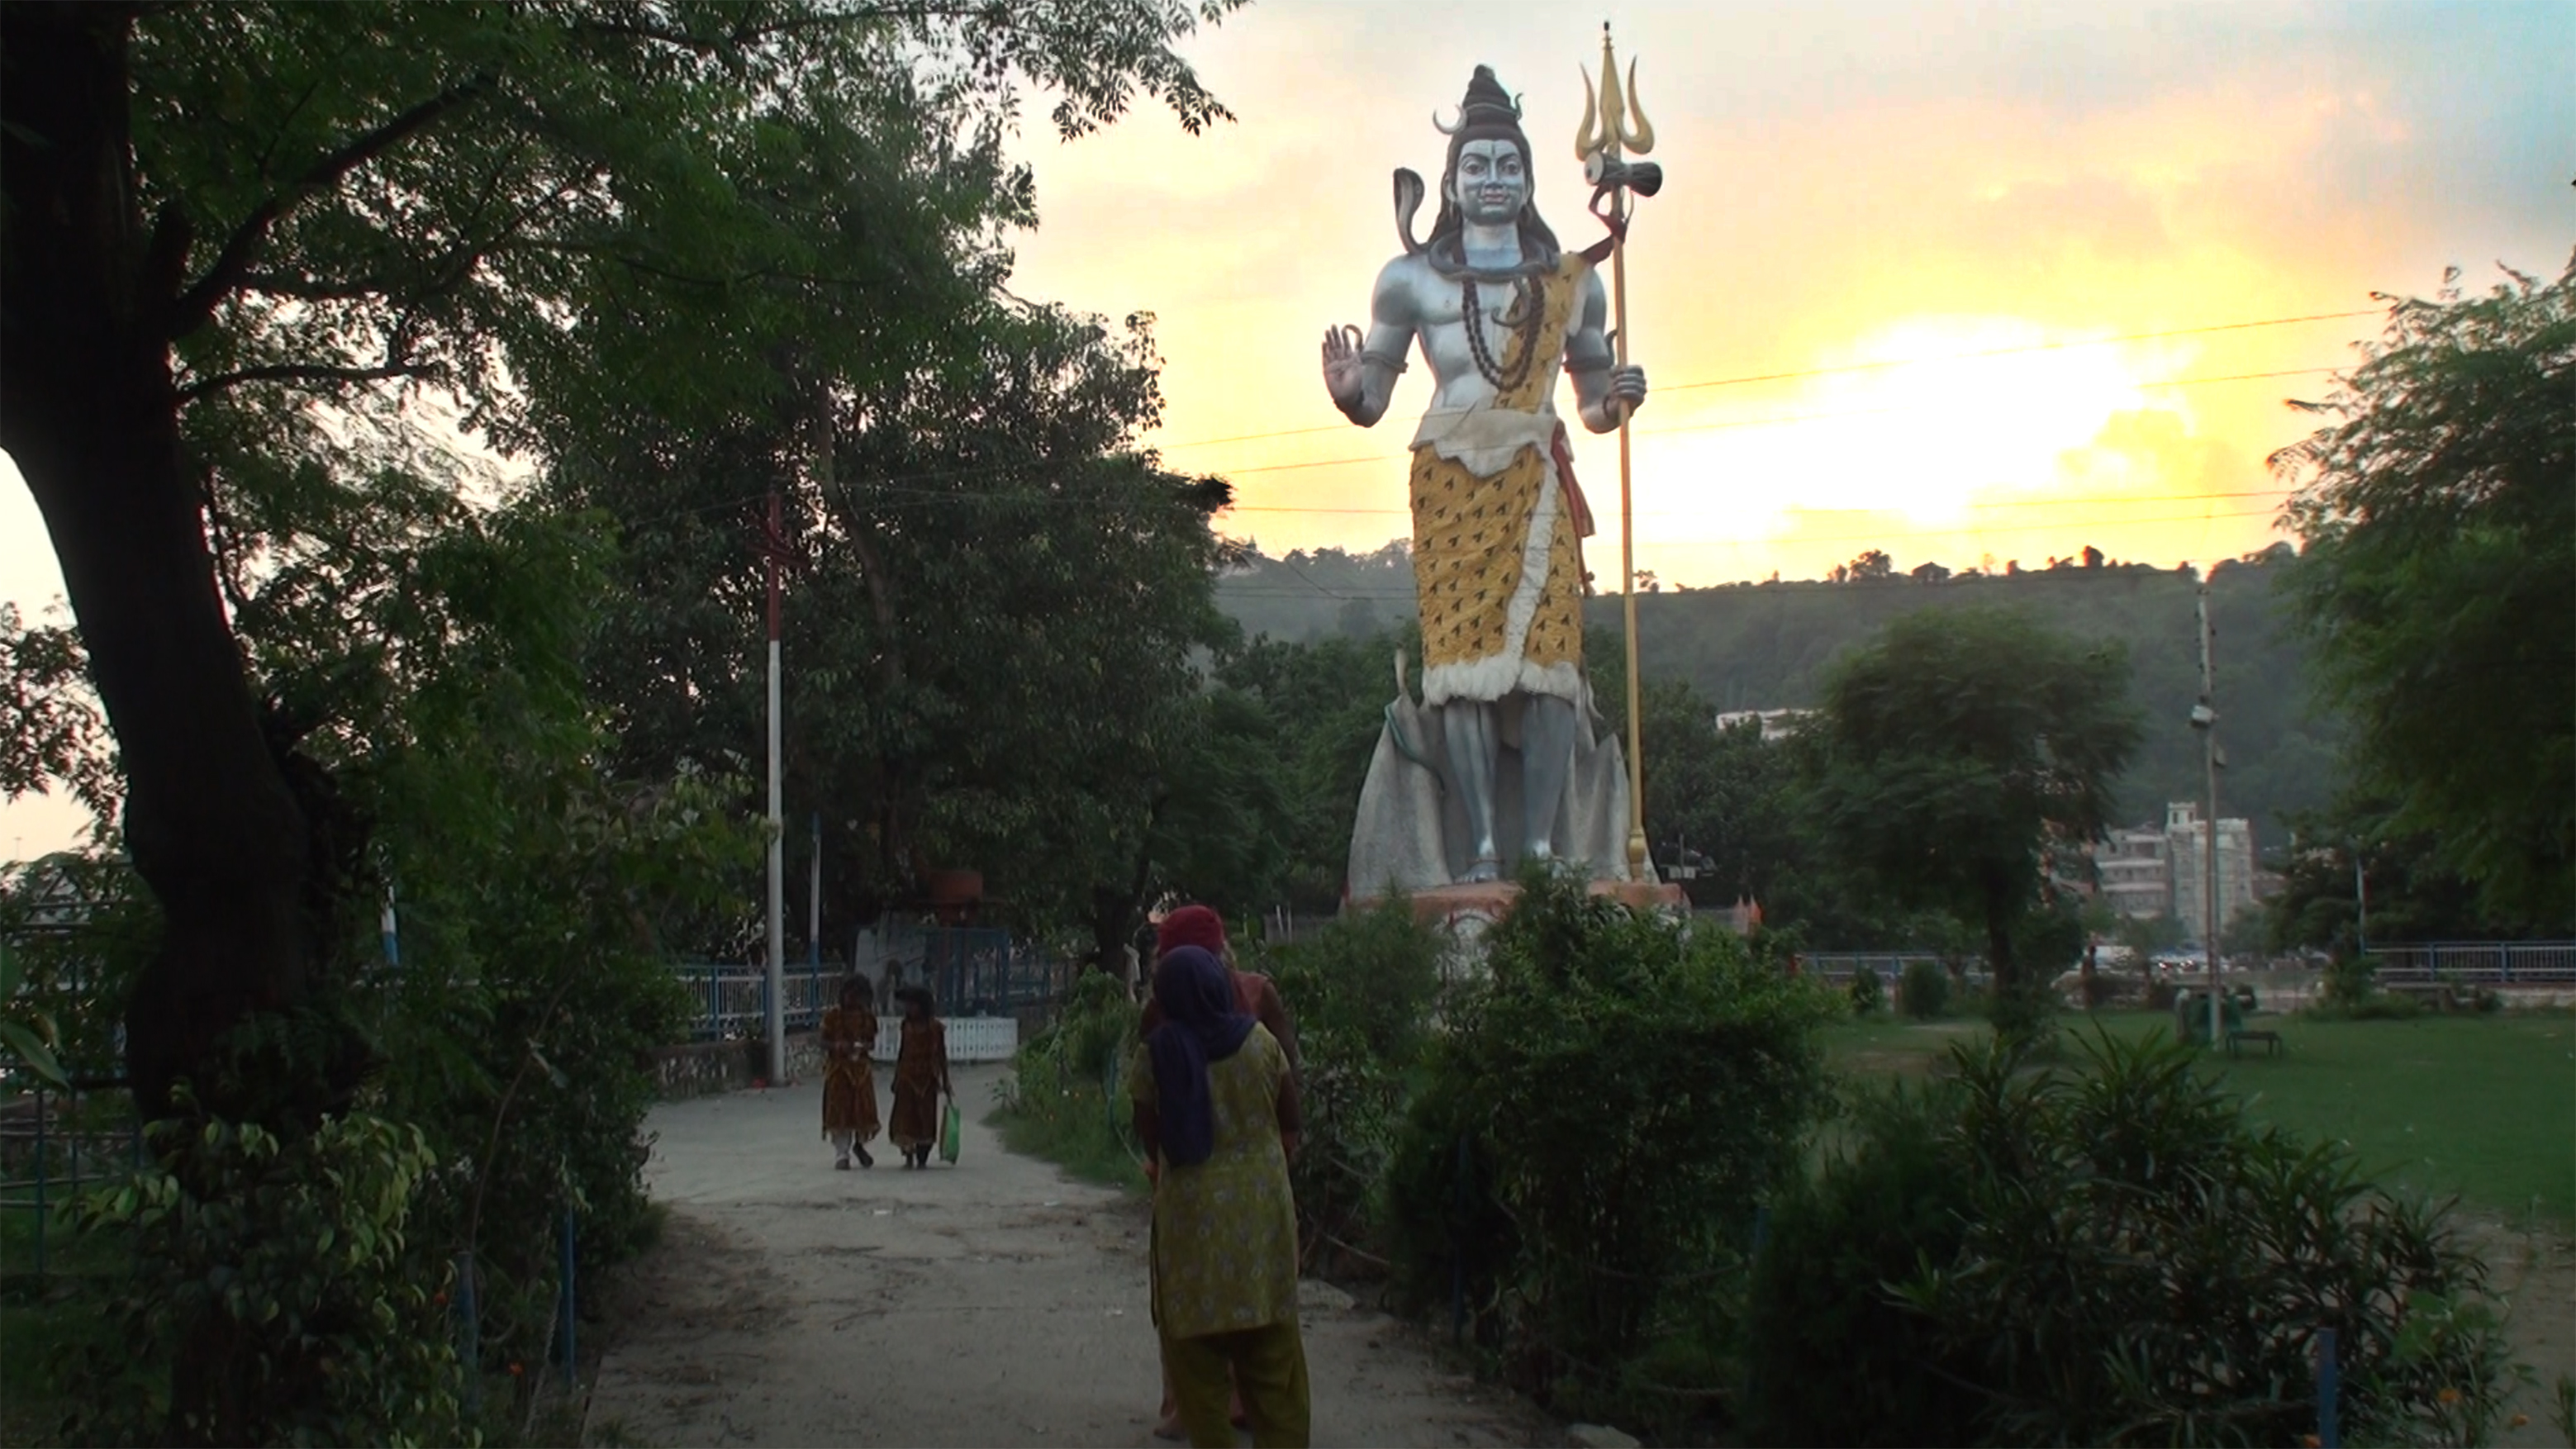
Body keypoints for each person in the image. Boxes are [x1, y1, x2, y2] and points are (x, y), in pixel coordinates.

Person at [1320, 64, 1648, 882]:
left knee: (1547, 668)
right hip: (1448, 481)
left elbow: (1594, 403)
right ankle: (1480, 851)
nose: (1493, 180)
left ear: (1530, 179)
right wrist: (1345, 393)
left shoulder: (1573, 282)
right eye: (1477, 166)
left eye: (1508, 166)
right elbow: (1374, 399)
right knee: (1460, 673)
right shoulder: (1410, 280)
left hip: (1535, 475)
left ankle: (1539, 848)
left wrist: (1620, 399)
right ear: (1452, 181)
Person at [1131, 946, 1309, 1448]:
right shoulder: (1259, 1044)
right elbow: (1291, 1120)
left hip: (1190, 1224)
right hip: (1261, 1218)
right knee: (1274, 1359)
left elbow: (1149, 1133)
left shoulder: (1156, 1054)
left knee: (1196, 1363)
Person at [888, 985, 953, 1169]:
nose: (909, 1009)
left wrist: (946, 1081)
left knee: (926, 1117)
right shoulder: (905, 1027)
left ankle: (923, 1155)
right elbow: (902, 1053)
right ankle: (908, 1154)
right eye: (908, 1005)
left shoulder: (935, 1028)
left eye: (913, 1005)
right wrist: (896, 1077)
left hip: (928, 1079)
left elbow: (941, 1055)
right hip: (907, 1077)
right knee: (905, 1118)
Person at [820, 976, 881, 1169]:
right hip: (838, 1071)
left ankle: (859, 1145)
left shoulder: (867, 1018)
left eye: (857, 996)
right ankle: (841, 1154)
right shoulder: (833, 1016)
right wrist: (838, 1046)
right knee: (840, 1113)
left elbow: (871, 1043)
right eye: (849, 995)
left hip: (861, 1071)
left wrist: (862, 1047)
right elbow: (822, 1042)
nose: (852, 1000)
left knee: (863, 1113)